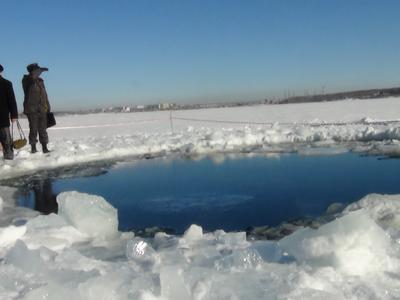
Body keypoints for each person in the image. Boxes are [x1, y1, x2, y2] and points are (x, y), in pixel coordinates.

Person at [22, 63, 51, 153]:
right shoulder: (27, 80)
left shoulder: (40, 81)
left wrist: (48, 106)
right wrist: (39, 70)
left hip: (42, 108)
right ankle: (33, 148)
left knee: (43, 128)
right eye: (38, 71)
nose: (40, 72)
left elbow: (44, 95)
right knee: (33, 128)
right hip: (31, 109)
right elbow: (32, 79)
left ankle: (44, 147)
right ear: (33, 71)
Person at [0, 64, 18, 160]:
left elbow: (12, 100)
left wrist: (14, 115)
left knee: (6, 140)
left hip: (2, 117)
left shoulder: (6, 83)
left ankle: (9, 159)